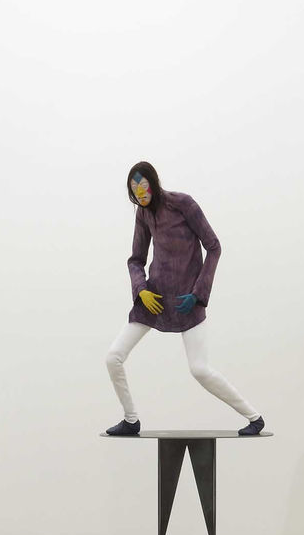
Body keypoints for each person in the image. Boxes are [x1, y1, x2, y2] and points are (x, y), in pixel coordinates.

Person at [104, 161, 265, 437]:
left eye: (143, 187)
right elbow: (136, 260)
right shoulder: (143, 214)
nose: (140, 194)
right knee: (113, 357)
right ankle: (131, 420)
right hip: (153, 302)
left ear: (153, 183)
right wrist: (141, 289)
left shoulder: (183, 204)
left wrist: (199, 294)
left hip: (187, 302)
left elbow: (213, 246)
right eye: (134, 190)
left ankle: (255, 417)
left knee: (200, 369)